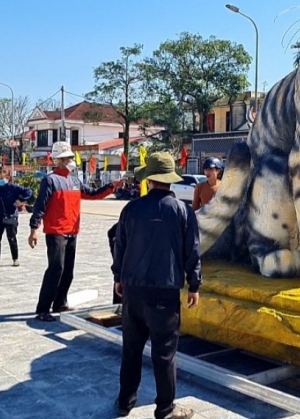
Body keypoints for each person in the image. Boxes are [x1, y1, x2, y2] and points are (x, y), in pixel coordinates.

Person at [113, 152, 201, 419]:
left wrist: (118, 278)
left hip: (133, 291)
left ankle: (124, 402)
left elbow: (120, 247)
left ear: (149, 179)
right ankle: (165, 408)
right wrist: (194, 285)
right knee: (164, 353)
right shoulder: (183, 212)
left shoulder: (130, 209)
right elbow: (192, 252)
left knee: (131, 349)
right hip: (164, 293)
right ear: (170, 181)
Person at [28, 141, 124, 322]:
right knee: (56, 269)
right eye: (69, 158)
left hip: (72, 230)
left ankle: (60, 303)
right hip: (56, 231)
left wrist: (112, 186)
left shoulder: (74, 180)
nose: (72, 160)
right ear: (59, 160)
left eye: (71, 157)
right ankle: (42, 308)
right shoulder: (50, 180)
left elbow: (93, 194)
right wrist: (34, 228)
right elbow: (40, 206)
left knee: (68, 271)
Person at [0, 168, 33, 269]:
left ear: (7, 178)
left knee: (12, 238)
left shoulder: (14, 188)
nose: (0, 180)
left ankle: (15, 258)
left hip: (11, 216)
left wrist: (21, 200)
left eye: (2, 178)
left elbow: (28, 191)